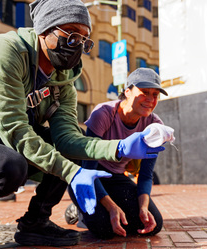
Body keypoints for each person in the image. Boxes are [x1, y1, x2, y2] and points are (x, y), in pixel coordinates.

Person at [0, 0, 164, 249]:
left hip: (7, 149)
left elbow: (68, 140)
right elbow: (14, 130)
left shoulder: (64, 79)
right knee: (9, 165)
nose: (77, 44)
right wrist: (73, 173)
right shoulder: (5, 51)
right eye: (70, 33)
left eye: (84, 39)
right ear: (44, 30)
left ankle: (35, 223)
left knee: (66, 150)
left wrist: (118, 147)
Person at [67, 68, 167, 239]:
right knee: (104, 229)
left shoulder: (154, 124)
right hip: (90, 174)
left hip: (116, 177)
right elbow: (88, 167)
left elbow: (145, 175)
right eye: (144, 92)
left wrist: (143, 208)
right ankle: (78, 208)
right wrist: (111, 207)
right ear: (127, 91)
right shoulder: (103, 113)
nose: (150, 99)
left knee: (153, 223)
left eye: (155, 94)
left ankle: (108, 205)